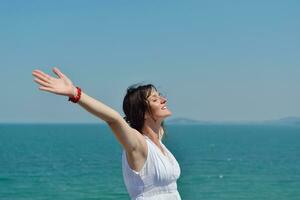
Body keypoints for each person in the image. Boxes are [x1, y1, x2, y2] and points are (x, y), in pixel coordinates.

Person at [32, 67, 181, 199]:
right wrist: (74, 93)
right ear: (143, 113)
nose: (163, 100)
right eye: (155, 99)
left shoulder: (157, 139)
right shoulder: (139, 145)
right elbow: (114, 119)